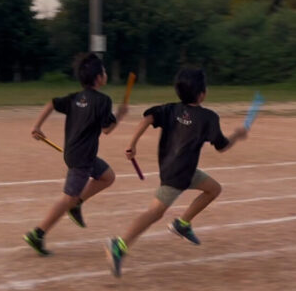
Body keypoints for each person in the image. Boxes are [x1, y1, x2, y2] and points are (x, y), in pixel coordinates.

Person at [107, 68, 248, 277]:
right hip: (176, 175)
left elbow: (147, 118)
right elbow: (222, 146)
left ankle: (182, 224)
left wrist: (132, 143)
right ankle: (119, 245)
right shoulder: (208, 117)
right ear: (202, 94)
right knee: (154, 213)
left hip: (183, 170)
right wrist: (237, 135)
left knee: (213, 189)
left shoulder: (170, 109)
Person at [23, 53, 128, 255]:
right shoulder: (103, 101)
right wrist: (120, 115)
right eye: (104, 71)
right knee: (67, 198)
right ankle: (38, 233)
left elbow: (51, 103)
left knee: (108, 176)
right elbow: (107, 129)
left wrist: (37, 126)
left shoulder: (75, 98)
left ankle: (77, 204)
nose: (105, 74)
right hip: (82, 159)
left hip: (77, 153)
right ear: (99, 78)